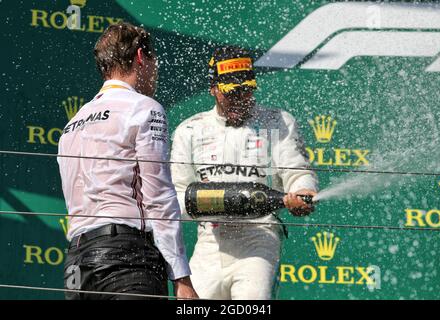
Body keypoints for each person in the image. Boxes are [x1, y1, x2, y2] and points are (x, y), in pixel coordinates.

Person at [57, 22, 197, 300]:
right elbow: (158, 197)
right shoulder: (144, 108)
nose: (156, 71)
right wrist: (182, 279)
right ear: (141, 58)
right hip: (128, 257)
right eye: (154, 61)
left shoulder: (72, 124)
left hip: (76, 262)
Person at [170, 46, 319, 300]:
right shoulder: (190, 130)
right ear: (214, 88)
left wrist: (304, 190)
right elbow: (176, 198)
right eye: (232, 92)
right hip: (209, 243)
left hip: (259, 238)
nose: (240, 98)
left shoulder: (278, 121)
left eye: (246, 90)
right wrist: (217, 202)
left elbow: (297, 172)